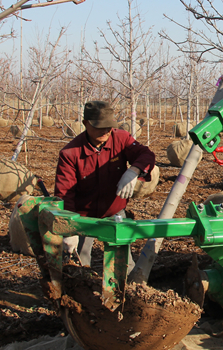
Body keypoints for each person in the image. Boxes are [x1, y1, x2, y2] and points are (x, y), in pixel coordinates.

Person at [54, 101, 155, 267]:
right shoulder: (70, 153)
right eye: (100, 127)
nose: (105, 131)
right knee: (77, 261)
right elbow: (65, 193)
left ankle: (126, 280)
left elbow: (146, 154)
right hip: (83, 217)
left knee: (124, 263)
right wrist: (69, 229)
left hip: (115, 212)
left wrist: (133, 171)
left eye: (109, 127)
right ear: (86, 123)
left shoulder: (121, 138)